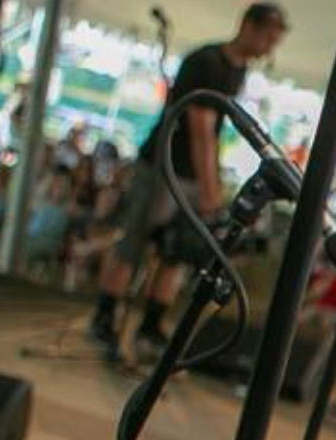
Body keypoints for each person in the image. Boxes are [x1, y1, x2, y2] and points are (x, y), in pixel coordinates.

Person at [88, 2, 288, 358]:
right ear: (250, 26)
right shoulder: (206, 62)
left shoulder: (237, 70)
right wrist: (211, 191)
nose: (270, 48)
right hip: (163, 166)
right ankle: (105, 316)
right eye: (268, 37)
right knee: (134, 244)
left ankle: (151, 325)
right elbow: (201, 130)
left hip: (191, 175)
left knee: (176, 251)